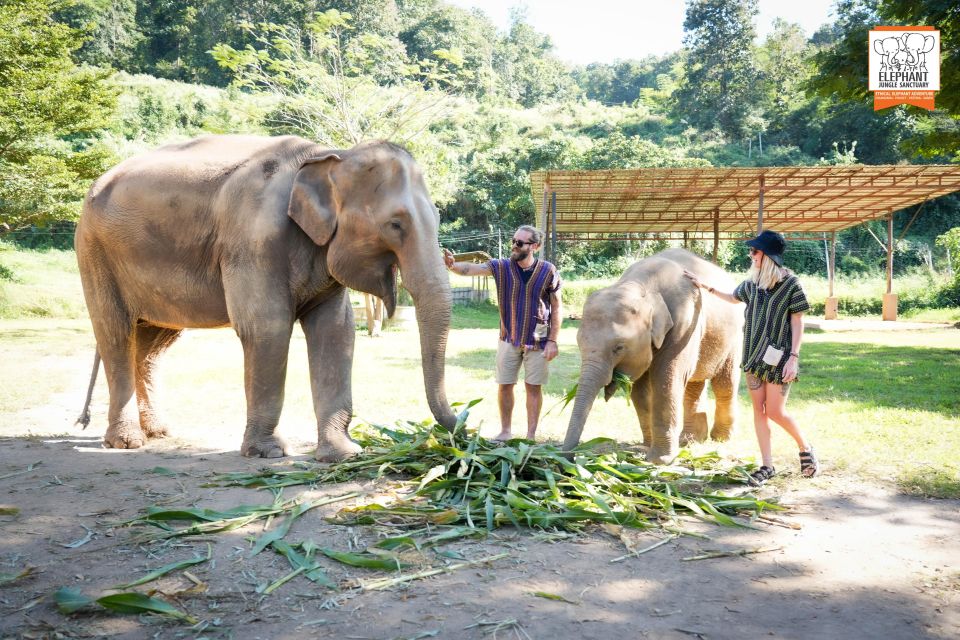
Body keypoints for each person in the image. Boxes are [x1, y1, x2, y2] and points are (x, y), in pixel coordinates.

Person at [683, 230, 819, 484]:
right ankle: (767, 466)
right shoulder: (751, 284)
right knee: (759, 411)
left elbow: (798, 322)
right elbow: (732, 298)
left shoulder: (792, 285)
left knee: (776, 412)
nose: (751, 255)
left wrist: (794, 357)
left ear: (767, 256)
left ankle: (805, 447)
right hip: (754, 357)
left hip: (780, 359)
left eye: (755, 251)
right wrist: (703, 286)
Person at [443, 225, 562, 441]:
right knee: (505, 385)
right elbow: (472, 269)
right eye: (513, 241)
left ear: (534, 246)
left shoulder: (548, 271)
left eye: (520, 243)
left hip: (538, 340)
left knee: (533, 388)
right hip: (509, 337)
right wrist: (453, 266)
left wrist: (553, 340)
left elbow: (557, 306)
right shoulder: (501, 267)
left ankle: (530, 435)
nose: (514, 246)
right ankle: (506, 431)